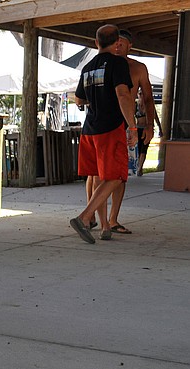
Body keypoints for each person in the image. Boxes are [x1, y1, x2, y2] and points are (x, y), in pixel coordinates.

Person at [70, 24, 137, 244]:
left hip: (90, 129)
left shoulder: (88, 67)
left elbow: (79, 99)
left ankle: (105, 226)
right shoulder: (118, 63)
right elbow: (123, 94)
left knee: (99, 177)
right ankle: (84, 217)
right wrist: (133, 127)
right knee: (116, 176)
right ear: (117, 42)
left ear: (96, 43)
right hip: (110, 128)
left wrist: (96, 95)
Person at [104, 29, 155, 234]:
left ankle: (113, 218)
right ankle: (93, 217)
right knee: (97, 174)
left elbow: (148, 98)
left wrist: (150, 125)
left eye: (122, 43)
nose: (118, 47)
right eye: (115, 43)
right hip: (103, 124)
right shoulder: (103, 64)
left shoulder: (138, 68)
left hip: (126, 125)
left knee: (120, 174)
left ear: (129, 45)